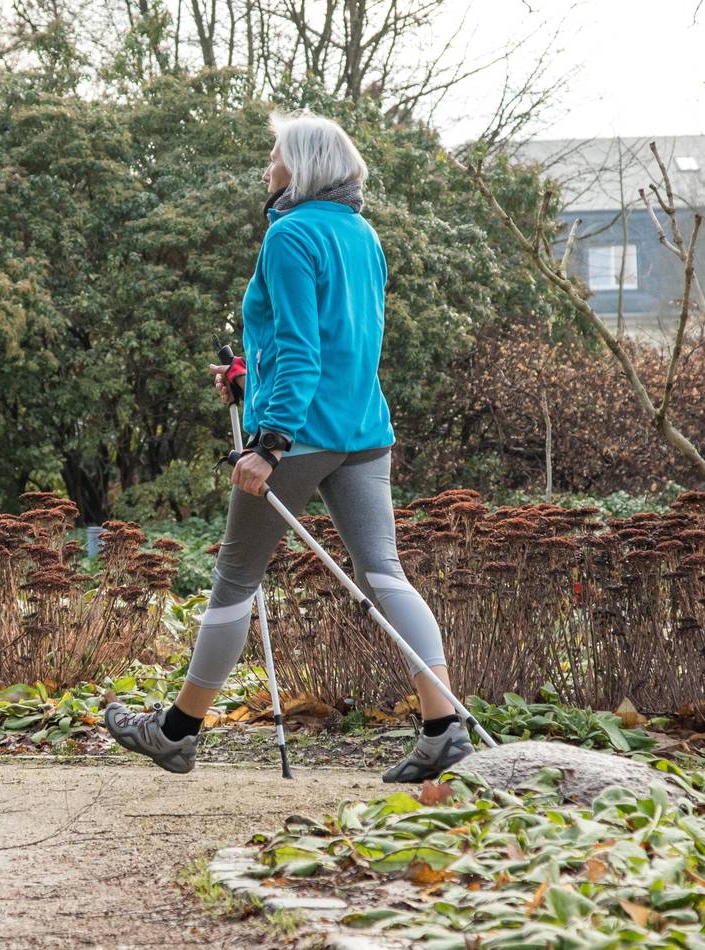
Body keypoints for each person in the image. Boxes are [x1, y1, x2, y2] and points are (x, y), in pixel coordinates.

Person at [105, 109, 473, 782]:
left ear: (299, 167)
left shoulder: (289, 237)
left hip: (298, 436)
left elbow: (304, 351)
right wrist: (249, 375)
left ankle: (176, 733)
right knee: (384, 573)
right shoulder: (362, 235)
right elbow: (336, 342)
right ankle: (443, 727)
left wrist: (268, 443)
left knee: (234, 581)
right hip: (363, 430)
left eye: (275, 155)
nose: (267, 166)